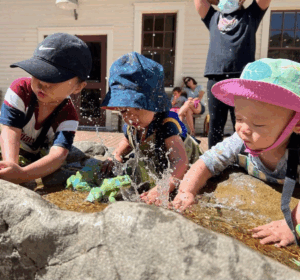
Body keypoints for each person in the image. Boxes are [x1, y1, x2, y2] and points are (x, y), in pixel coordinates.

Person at [172, 58, 300, 247]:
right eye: (239, 118)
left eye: (258, 124)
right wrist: (186, 191)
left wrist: (293, 224)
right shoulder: (240, 139)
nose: (244, 129)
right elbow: (207, 161)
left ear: (295, 124)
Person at [101, 52, 202, 205]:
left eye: (138, 108)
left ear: (155, 105)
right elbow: (127, 141)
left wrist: (162, 188)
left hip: (190, 165)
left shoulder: (167, 124)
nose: (131, 117)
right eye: (123, 110)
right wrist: (116, 155)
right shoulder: (133, 125)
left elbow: (180, 162)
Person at [0, 33, 92, 185]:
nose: (43, 82)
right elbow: (10, 130)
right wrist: (10, 165)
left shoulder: (68, 115)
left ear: (78, 87)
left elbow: (58, 155)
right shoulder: (21, 89)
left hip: (34, 155)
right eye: (38, 72)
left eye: (53, 77)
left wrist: (22, 174)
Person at [194, 0, 272, 148]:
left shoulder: (250, 15)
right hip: (216, 77)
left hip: (241, 79)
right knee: (215, 124)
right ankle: (214, 163)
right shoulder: (213, 17)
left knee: (242, 123)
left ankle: (243, 161)